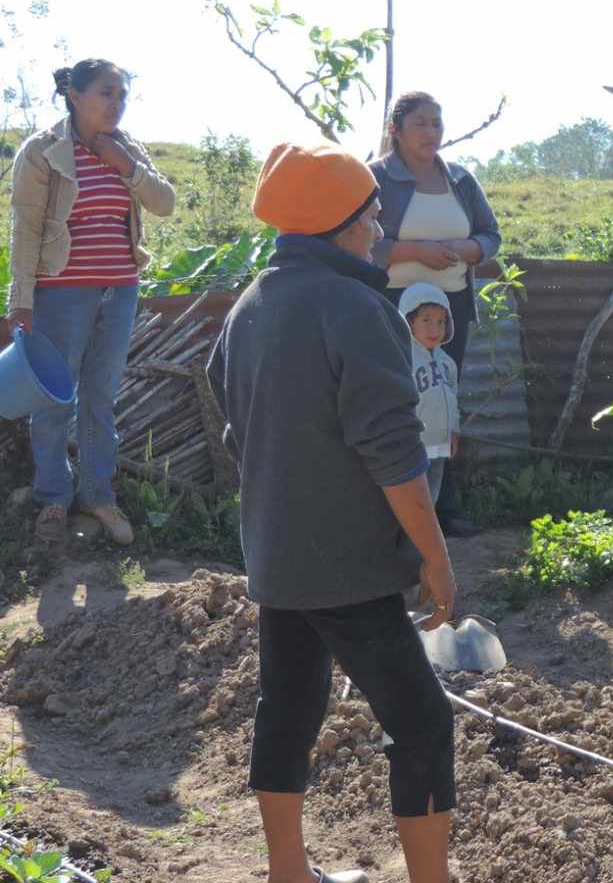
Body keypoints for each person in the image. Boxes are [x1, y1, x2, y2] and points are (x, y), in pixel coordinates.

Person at [207, 143, 459, 883]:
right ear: (337, 224)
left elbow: (234, 430)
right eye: (373, 217)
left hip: (278, 558)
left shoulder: (251, 306)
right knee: (421, 723)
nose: (378, 231)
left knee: (287, 708)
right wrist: (436, 559)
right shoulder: (356, 309)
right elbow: (394, 456)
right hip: (348, 569)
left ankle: (289, 872)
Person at [5, 58, 175, 547]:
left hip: (119, 291)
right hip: (61, 292)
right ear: (75, 96)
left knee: (100, 398)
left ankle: (98, 495)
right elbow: (26, 228)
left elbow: (164, 204)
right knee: (55, 401)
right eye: (106, 93)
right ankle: (52, 498)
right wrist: (22, 300)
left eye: (122, 95)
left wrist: (129, 168)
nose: (116, 104)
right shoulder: (43, 151)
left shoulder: (127, 148)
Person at [370, 91, 501, 538]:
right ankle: (393, 509)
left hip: (449, 308)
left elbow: (491, 235)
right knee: (396, 402)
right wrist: (415, 252)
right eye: (421, 123)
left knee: (442, 401)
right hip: (391, 305)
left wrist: (469, 249)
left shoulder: (461, 180)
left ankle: (444, 507)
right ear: (396, 130)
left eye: (437, 123)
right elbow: (362, 239)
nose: (431, 132)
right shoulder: (376, 178)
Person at [399, 282, 461, 504]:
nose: (434, 329)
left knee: (430, 500)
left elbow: (453, 401)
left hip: (439, 442)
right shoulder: (403, 360)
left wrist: (454, 431)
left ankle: (424, 538)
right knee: (411, 502)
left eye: (441, 321)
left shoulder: (448, 363)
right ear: (408, 322)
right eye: (426, 320)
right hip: (413, 446)